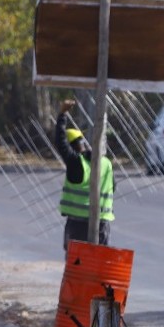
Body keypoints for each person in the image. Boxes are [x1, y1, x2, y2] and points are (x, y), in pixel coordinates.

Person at [54, 99, 114, 252]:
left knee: (77, 268)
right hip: (102, 225)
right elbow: (113, 187)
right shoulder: (106, 163)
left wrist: (62, 114)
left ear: (72, 146)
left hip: (78, 226)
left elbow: (61, 143)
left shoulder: (76, 163)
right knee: (97, 266)